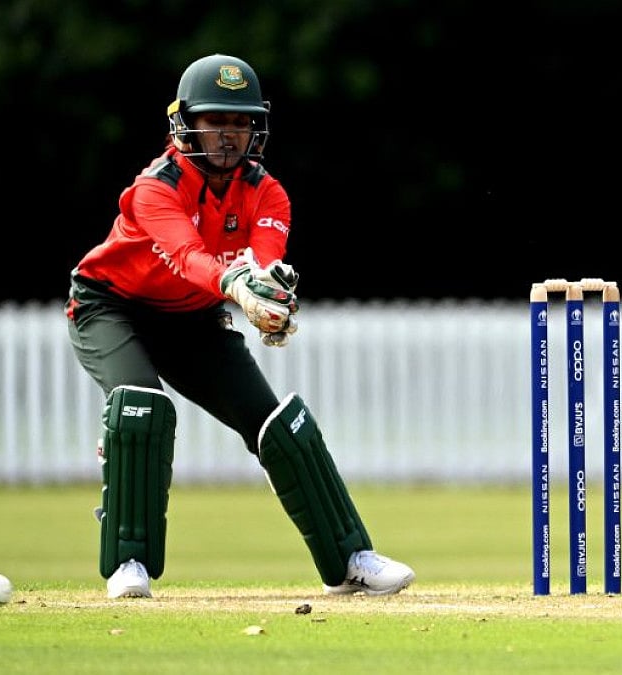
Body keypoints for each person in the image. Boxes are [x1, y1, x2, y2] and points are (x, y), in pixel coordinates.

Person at [65, 53, 415, 600]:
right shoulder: (154, 189)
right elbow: (188, 257)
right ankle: (128, 563)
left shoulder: (267, 192)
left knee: (276, 424)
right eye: (215, 121)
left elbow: (265, 264)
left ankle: (350, 559)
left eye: (240, 122)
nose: (229, 135)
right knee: (141, 406)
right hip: (112, 306)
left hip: (192, 318)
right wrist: (237, 287)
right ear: (185, 123)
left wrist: (271, 301)